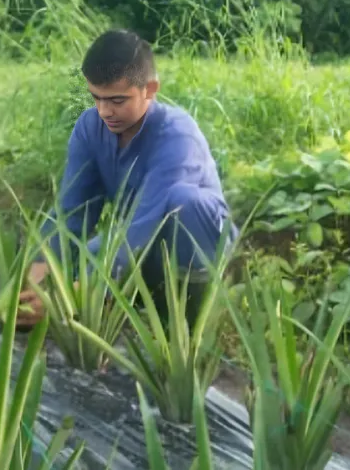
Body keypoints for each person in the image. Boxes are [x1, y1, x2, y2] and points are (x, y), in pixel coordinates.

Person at [14, 29, 235, 330]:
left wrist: (67, 297)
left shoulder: (177, 136)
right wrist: (37, 278)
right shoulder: (90, 128)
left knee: (185, 201)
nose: (106, 111)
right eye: (97, 98)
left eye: (118, 100)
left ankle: (189, 320)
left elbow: (146, 221)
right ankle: (117, 302)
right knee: (88, 255)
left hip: (187, 247)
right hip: (135, 251)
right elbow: (72, 210)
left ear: (150, 89)